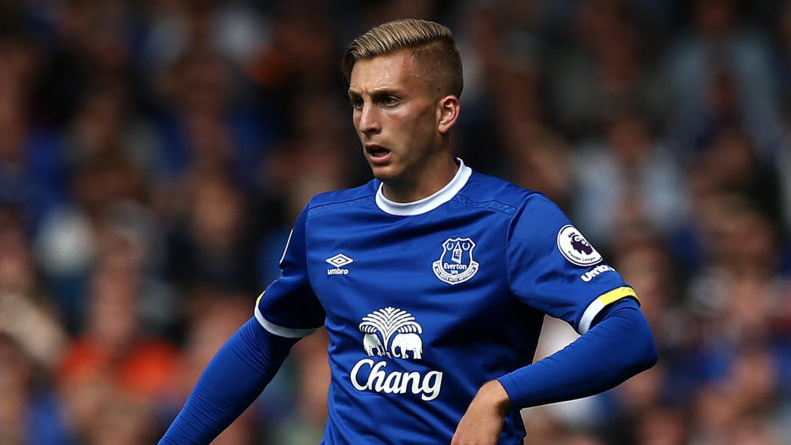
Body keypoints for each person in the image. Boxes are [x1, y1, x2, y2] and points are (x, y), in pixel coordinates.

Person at [159, 18, 657, 445]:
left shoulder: (513, 220)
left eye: (389, 101)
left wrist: (502, 394)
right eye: (358, 102)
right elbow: (263, 341)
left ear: (445, 112)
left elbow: (629, 334)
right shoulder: (326, 221)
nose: (367, 122)